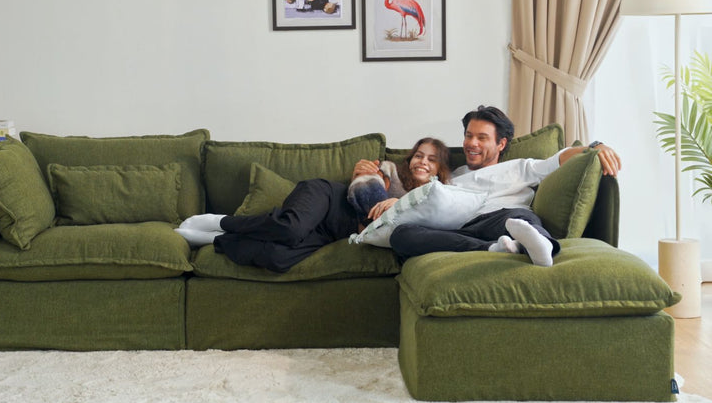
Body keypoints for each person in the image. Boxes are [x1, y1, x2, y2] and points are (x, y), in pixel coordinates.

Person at [389, 105, 622, 267]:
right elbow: (421, 196)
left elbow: (559, 159)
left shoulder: (520, 167)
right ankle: (493, 249)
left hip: (503, 221)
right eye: (469, 136)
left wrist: (595, 146)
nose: (471, 143)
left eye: (481, 138)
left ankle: (543, 248)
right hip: (461, 230)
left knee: (521, 218)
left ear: (501, 144)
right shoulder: (450, 177)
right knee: (401, 235)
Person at [175, 137, 452, 273]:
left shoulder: (436, 198)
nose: (422, 162)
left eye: (431, 159)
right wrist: (390, 202)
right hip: (327, 200)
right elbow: (364, 188)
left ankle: (218, 239)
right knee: (291, 228)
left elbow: (421, 227)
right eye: (418, 155)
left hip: (334, 231)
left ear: (440, 170)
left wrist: (398, 204)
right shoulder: (390, 170)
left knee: (279, 259)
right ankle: (222, 221)